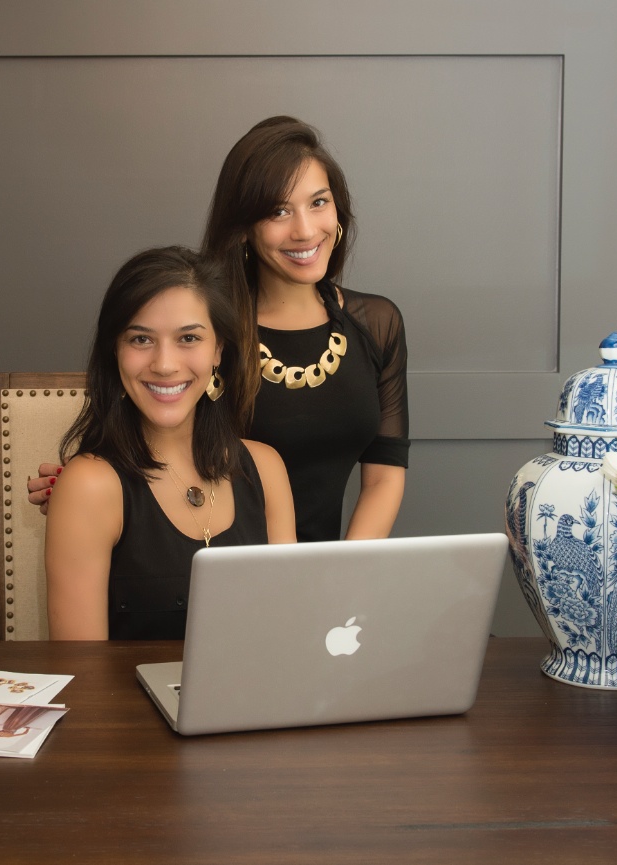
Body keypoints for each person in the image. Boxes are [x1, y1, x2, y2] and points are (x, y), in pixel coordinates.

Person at [30, 117, 409, 542]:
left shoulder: (377, 323)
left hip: (323, 568)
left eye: (318, 202)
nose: (304, 230)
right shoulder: (204, 328)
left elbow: (384, 475)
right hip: (212, 555)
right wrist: (87, 487)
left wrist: (343, 569)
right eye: (278, 211)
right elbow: (144, 425)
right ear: (244, 227)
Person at [44, 246, 296, 641]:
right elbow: (82, 668)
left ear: (218, 349)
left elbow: (289, 634)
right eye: (141, 339)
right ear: (115, 351)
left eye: (189, 338)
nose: (164, 364)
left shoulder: (266, 468)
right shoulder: (89, 485)